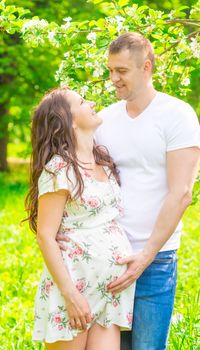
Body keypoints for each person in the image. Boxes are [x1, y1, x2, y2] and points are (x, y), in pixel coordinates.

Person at [94, 32, 200, 350]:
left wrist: (144, 257)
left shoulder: (177, 115)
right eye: (110, 70)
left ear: (146, 67)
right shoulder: (104, 119)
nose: (113, 79)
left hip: (155, 261)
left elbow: (182, 192)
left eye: (122, 71)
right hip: (108, 259)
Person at [25, 87, 135, 350]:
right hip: (74, 289)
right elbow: (46, 237)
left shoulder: (103, 162)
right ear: (69, 120)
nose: (93, 102)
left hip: (110, 292)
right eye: (83, 102)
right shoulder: (59, 168)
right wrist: (71, 295)